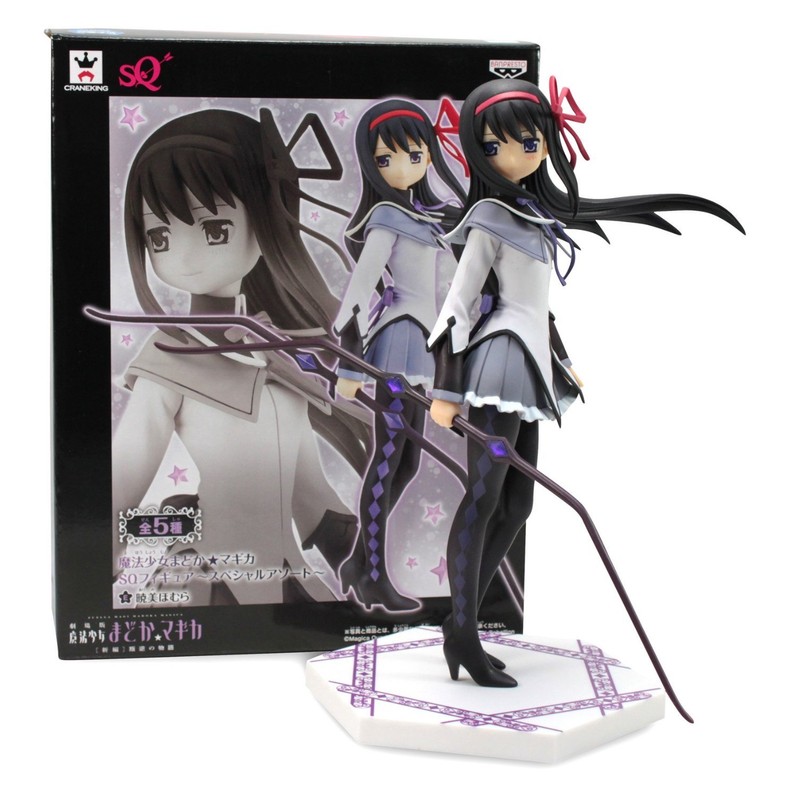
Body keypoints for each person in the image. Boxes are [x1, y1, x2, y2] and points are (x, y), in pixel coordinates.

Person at [428, 78, 743, 686]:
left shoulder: (534, 216)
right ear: (477, 153)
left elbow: (536, 305)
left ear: (547, 143)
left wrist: (562, 356)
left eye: (528, 142)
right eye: (495, 146)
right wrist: (445, 387)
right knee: (484, 498)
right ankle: (463, 631)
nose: (514, 155)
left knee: (517, 504)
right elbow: (459, 303)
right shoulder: (489, 217)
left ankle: (458, 625)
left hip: (530, 363)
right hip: (497, 363)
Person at [113, 108, 369, 605]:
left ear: (270, 219)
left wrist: (363, 550)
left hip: (288, 577)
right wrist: (96, 556)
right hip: (209, 579)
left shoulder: (280, 353)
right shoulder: (168, 359)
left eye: (215, 229)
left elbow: (309, 494)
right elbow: (125, 476)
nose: (184, 258)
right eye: (159, 237)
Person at [333, 99, 466, 612]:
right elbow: (359, 287)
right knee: (389, 459)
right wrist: (349, 363)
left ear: (429, 154)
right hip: (398, 344)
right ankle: (371, 574)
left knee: (406, 463)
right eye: (386, 159)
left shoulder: (425, 216)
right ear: (372, 166)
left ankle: (358, 563)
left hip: (422, 342)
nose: (404, 167)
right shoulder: (387, 216)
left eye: (415, 154)